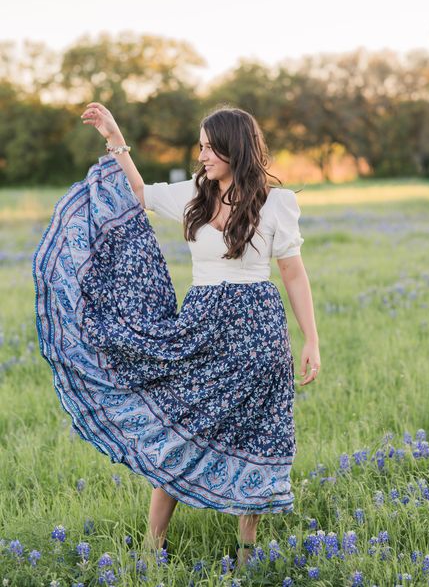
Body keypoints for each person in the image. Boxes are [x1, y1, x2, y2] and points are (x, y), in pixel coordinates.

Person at [33, 101, 320, 571]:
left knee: (256, 432)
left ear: (235, 149)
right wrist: (115, 137)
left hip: (258, 333)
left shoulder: (275, 203)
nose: (202, 156)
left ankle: (247, 552)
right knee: (176, 425)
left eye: (210, 148)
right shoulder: (196, 194)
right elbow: (139, 192)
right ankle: (153, 546)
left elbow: (293, 273)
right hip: (201, 325)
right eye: (201, 147)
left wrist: (311, 339)